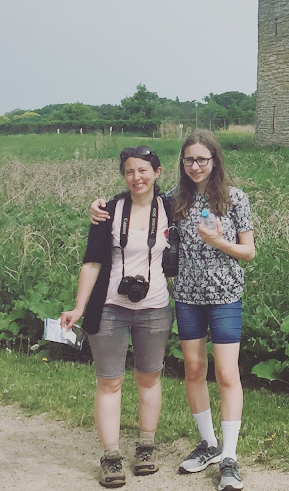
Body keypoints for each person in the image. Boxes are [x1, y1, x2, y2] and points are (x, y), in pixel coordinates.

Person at [90, 131, 255, 491]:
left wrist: (218, 242)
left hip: (225, 295)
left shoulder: (235, 199)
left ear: (215, 161)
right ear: (180, 165)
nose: (195, 166)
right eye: (189, 160)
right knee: (194, 370)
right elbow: (136, 198)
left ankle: (230, 456)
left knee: (227, 374)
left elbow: (249, 252)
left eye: (202, 160)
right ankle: (208, 442)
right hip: (187, 297)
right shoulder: (173, 202)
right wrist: (99, 206)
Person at [62, 146, 174, 488]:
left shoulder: (172, 208)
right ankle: (111, 456)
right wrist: (79, 307)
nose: (136, 177)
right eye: (129, 171)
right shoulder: (108, 211)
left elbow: (206, 186)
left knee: (149, 379)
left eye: (143, 170)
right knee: (110, 381)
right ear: (123, 176)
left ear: (158, 172)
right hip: (110, 306)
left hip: (155, 307)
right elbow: (93, 261)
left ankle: (146, 447)